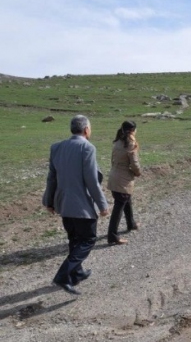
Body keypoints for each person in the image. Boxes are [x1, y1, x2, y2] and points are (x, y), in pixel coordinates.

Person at [43, 115, 109, 295]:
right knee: (88, 239)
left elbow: (52, 178)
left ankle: (77, 272)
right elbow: (92, 180)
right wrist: (102, 204)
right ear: (86, 130)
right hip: (81, 205)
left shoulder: (56, 147)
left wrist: (49, 201)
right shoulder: (86, 147)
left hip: (64, 204)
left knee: (74, 239)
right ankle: (63, 276)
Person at [107, 120, 141, 245]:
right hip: (123, 178)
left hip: (114, 176)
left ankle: (130, 223)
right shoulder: (130, 143)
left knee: (126, 200)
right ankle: (112, 235)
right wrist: (138, 172)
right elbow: (134, 162)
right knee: (119, 207)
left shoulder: (117, 142)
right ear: (133, 130)